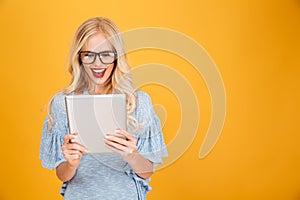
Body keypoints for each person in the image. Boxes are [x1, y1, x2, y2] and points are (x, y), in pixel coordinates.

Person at [39, 17, 168, 200]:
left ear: (117, 57)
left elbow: (146, 172)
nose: (97, 63)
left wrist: (131, 154)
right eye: (89, 54)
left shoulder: (138, 102)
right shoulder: (63, 104)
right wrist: (71, 163)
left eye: (106, 54)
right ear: (79, 57)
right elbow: (62, 175)